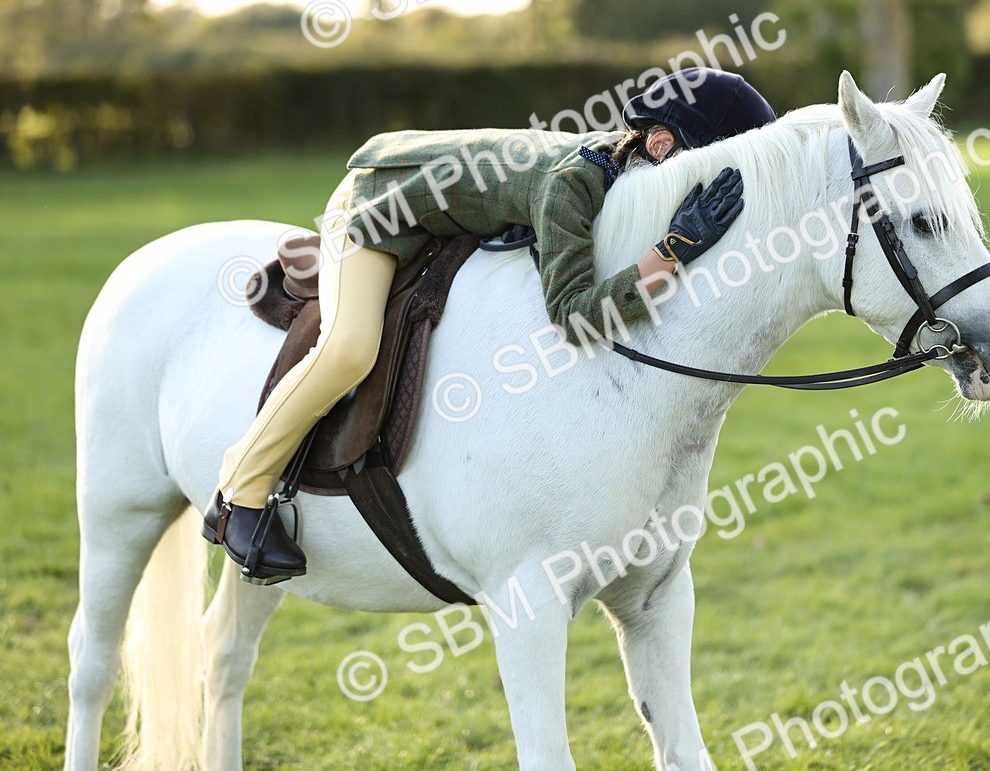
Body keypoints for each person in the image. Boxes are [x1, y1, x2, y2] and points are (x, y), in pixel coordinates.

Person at [202, 67, 776, 583]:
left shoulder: (622, 170)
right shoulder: (571, 185)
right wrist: (670, 253)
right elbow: (576, 317)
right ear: (658, 144)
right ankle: (238, 493)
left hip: (439, 211)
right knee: (349, 349)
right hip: (377, 206)